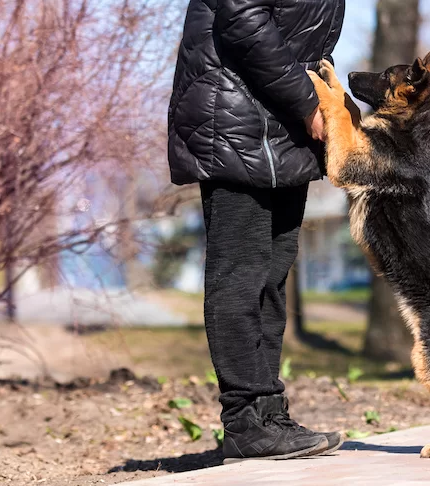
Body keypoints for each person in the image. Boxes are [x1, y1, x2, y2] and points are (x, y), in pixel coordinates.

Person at [167, 0, 345, 462]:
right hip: (234, 120)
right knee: (239, 277)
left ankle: (268, 415)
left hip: (280, 125)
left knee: (269, 281)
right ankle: (245, 421)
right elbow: (243, 18)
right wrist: (309, 103)